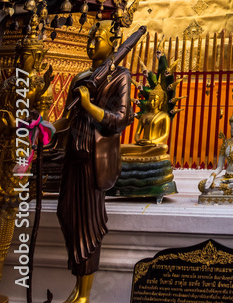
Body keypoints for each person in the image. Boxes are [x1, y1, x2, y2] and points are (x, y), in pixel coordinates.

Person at [53, 22, 133, 303]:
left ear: (113, 42)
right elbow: (67, 118)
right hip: (72, 158)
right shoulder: (81, 77)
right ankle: (77, 288)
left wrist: (89, 106)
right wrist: (46, 128)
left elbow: (119, 120)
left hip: (92, 161)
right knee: (67, 216)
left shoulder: (120, 76)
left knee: (88, 226)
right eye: (89, 38)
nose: (90, 42)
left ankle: (84, 295)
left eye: (97, 38)